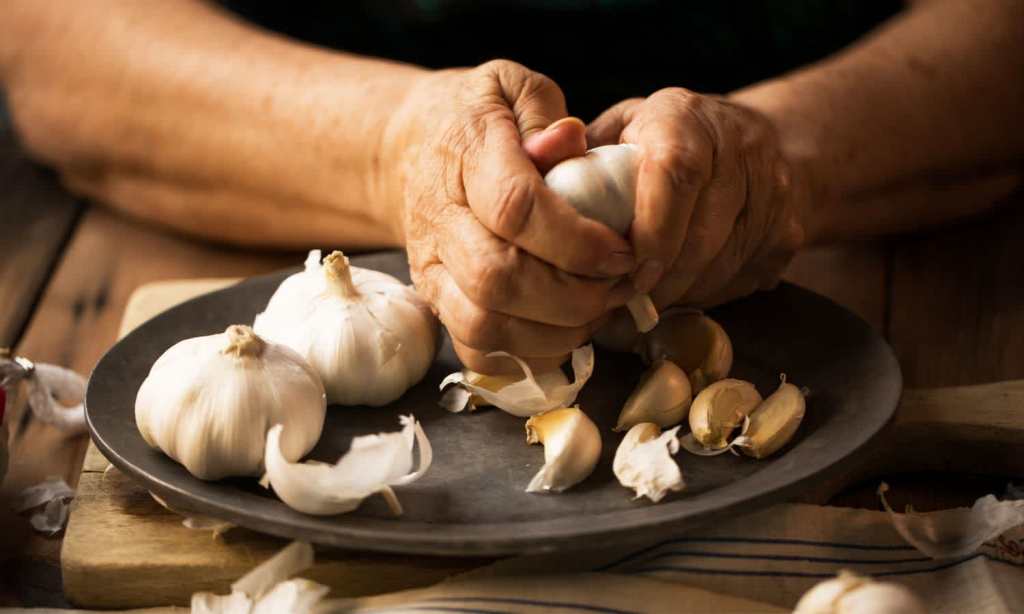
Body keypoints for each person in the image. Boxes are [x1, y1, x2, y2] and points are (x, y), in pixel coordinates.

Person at [1, 1, 1021, 374]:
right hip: (267, 187)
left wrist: (781, 153)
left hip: (894, 237)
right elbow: (51, 40)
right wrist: (396, 148)